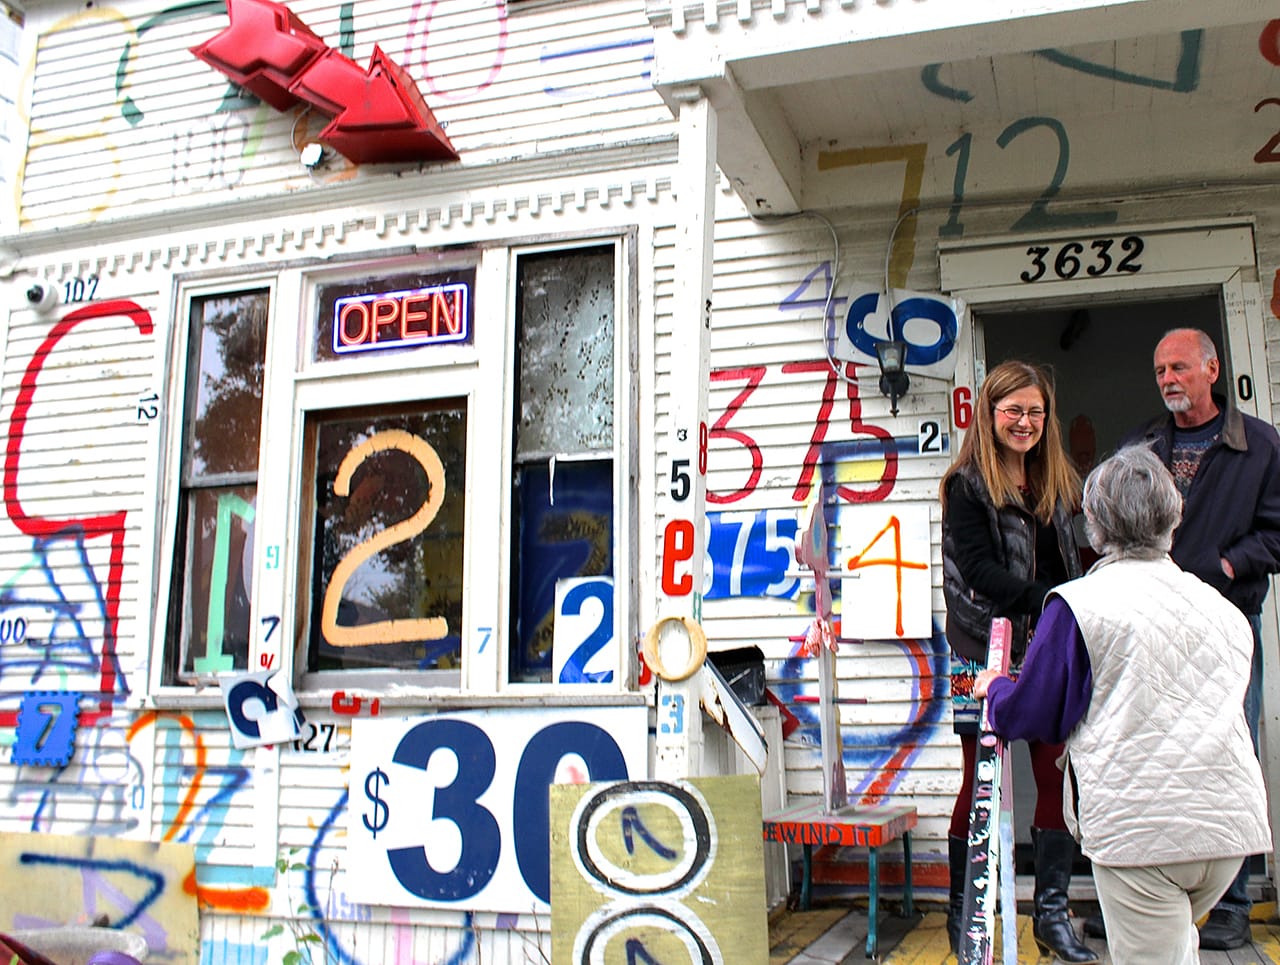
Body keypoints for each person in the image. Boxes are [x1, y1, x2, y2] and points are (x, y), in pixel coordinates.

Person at [973, 446, 1271, 965]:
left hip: (1144, 838)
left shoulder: (1079, 605)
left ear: (1095, 525)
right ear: (1173, 517)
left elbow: (1037, 714)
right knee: (1178, 946)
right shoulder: (1223, 610)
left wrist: (996, 688)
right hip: (1228, 834)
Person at [1107, 327, 1280, 950]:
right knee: (1156, 753)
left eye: (1179, 367)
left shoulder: (1259, 445)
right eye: (1160, 371)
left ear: (1212, 369)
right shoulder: (1142, 445)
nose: (1168, 380)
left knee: (1226, 749)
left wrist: (1229, 564)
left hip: (1225, 621)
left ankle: (1232, 901)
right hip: (1152, 624)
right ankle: (1150, 893)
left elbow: (1279, 532)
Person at [940, 360, 1094, 963]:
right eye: (1013, 411)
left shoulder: (1055, 479)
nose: (1025, 422)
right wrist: (1053, 601)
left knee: (1056, 770)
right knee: (978, 780)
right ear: (990, 412)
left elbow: (1070, 559)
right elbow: (977, 572)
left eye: (1035, 411)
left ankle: (1051, 917)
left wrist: (1072, 605)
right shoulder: (967, 485)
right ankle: (964, 912)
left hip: (1049, 645)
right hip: (979, 648)